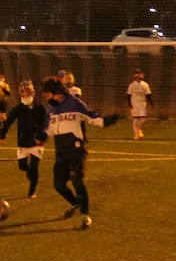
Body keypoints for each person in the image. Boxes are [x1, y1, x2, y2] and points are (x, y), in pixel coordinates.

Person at [41, 77, 119, 230]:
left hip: (76, 151)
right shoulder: (51, 110)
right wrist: (41, 137)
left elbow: (94, 119)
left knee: (77, 181)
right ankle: (76, 203)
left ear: (55, 92)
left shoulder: (75, 104)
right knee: (58, 185)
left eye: (47, 93)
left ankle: (85, 216)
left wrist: (108, 120)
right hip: (61, 153)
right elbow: (48, 130)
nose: (45, 96)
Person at [0, 79, 48, 199]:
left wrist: (41, 136)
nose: (26, 93)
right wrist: (2, 135)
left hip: (37, 142)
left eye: (28, 90)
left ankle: (32, 190)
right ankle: (32, 178)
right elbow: (8, 122)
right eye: (23, 91)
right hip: (23, 142)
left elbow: (47, 124)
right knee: (23, 167)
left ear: (32, 92)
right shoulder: (18, 109)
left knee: (34, 166)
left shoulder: (40, 108)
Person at [126, 69, 153, 140]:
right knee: (135, 120)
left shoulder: (145, 84)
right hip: (134, 104)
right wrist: (129, 104)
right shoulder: (132, 85)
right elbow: (128, 95)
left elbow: (148, 94)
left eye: (139, 73)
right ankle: (136, 135)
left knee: (143, 119)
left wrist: (151, 103)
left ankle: (139, 129)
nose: (138, 75)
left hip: (142, 104)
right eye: (136, 73)